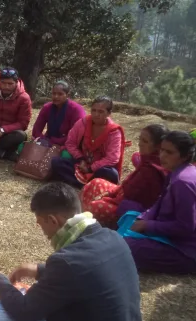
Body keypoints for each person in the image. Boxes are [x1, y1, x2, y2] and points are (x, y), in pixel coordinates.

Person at [0, 182, 142, 321]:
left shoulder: (65, 262)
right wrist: (39, 270)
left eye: (40, 223)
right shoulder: (114, 237)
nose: (41, 230)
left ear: (53, 220)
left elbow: (24, 311)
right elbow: (87, 273)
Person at [124, 131, 196, 274]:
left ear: (185, 156)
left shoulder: (183, 183)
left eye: (169, 152)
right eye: (162, 150)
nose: (162, 156)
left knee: (126, 246)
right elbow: (159, 201)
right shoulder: (176, 172)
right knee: (127, 207)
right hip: (165, 228)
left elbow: (186, 227)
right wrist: (144, 218)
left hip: (184, 249)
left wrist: (147, 225)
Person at [82, 124, 169, 228]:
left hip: (131, 211)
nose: (140, 144)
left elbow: (131, 197)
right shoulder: (147, 160)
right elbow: (127, 186)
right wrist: (111, 192)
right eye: (140, 139)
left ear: (157, 147)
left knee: (95, 206)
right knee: (96, 182)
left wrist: (107, 198)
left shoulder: (152, 170)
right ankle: (81, 212)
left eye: (145, 141)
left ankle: (85, 223)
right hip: (124, 197)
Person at [50, 96, 125, 189]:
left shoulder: (114, 131)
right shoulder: (83, 123)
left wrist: (90, 168)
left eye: (101, 111)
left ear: (109, 113)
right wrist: (81, 159)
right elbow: (70, 142)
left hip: (99, 169)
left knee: (111, 174)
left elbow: (112, 158)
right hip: (81, 164)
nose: (96, 114)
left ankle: (78, 182)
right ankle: (90, 185)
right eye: (94, 110)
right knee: (56, 162)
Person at [24, 81, 86, 158]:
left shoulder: (77, 110)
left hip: (68, 145)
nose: (56, 97)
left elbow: (77, 136)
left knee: (65, 156)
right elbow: (36, 130)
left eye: (60, 94)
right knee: (22, 147)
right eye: (54, 93)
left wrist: (55, 142)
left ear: (67, 95)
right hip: (47, 142)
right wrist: (43, 140)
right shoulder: (47, 107)